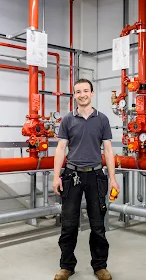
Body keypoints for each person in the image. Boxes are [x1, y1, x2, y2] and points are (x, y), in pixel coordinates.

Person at [53, 79, 120, 280]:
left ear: (92, 93)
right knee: (69, 223)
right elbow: (60, 149)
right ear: (74, 95)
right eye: (78, 91)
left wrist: (112, 178)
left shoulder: (102, 119)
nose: (82, 94)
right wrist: (56, 177)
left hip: (96, 176)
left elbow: (108, 150)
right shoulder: (67, 120)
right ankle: (67, 266)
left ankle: (100, 266)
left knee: (98, 224)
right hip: (71, 175)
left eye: (85, 91)